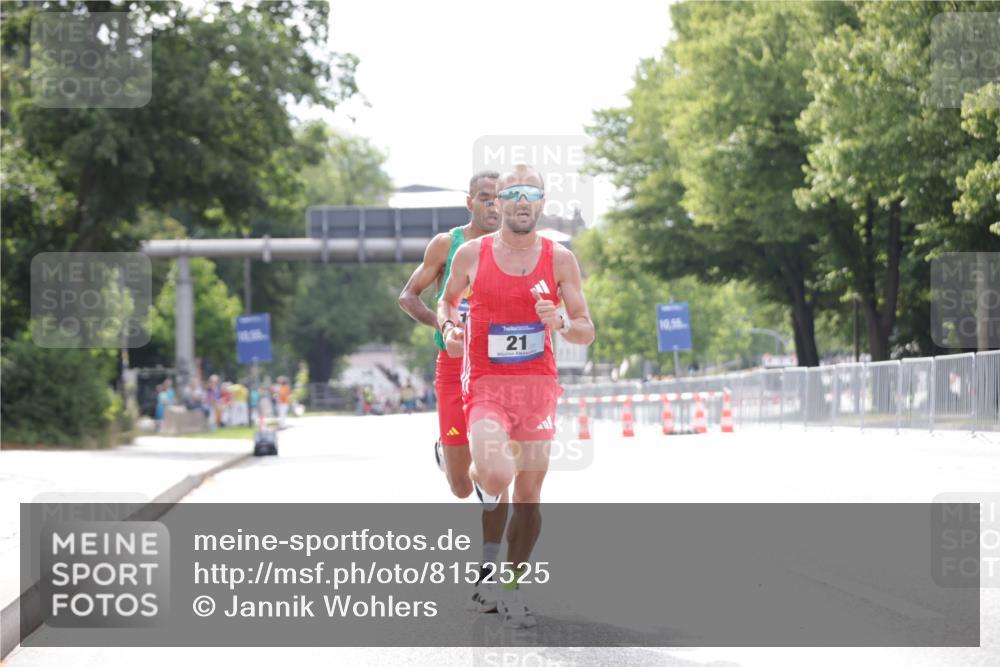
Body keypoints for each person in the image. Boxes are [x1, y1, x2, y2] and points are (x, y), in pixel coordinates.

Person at [438, 164, 595, 627]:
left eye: (531, 193)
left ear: (542, 202)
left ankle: (510, 587)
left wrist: (560, 322)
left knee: (528, 496)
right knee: (496, 472)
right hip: (487, 384)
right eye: (512, 193)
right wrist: (449, 328)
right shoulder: (472, 254)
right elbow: (447, 301)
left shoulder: (560, 259)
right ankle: (475, 466)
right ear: (498, 202)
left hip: (538, 388)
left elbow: (586, 329)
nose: (522, 201)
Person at [398, 169, 510, 612]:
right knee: (462, 487)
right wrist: (444, 326)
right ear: (470, 203)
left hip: (499, 371)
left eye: (500, 197)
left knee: (497, 474)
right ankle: (449, 454)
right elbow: (409, 296)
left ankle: (488, 576)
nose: (493, 204)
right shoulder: (448, 244)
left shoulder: (516, 249)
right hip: (453, 364)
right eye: (485, 197)